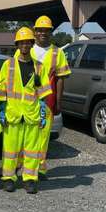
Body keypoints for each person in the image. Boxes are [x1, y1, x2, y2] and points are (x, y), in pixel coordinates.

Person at [0, 27, 52, 194]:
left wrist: (42, 113)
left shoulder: (39, 67)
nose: (25, 45)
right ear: (17, 44)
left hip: (32, 115)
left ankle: (29, 179)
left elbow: (44, 94)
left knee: (32, 151)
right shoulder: (8, 65)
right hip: (13, 115)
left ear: (32, 44)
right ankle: (8, 178)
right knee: (10, 150)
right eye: (22, 42)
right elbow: (0, 89)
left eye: (28, 42)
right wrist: (2, 110)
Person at [29, 14, 71, 179]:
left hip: (47, 101)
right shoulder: (26, 49)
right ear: (35, 32)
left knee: (43, 135)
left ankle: (40, 169)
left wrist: (58, 102)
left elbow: (61, 78)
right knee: (27, 135)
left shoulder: (57, 52)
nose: (43, 33)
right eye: (40, 30)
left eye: (46, 30)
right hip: (26, 101)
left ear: (51, 32)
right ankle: (24, 167)